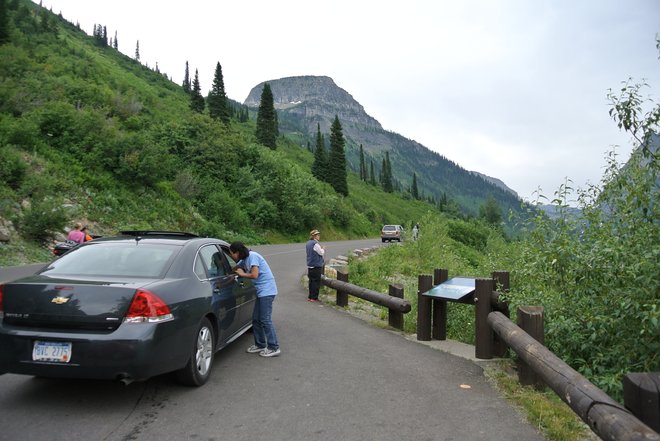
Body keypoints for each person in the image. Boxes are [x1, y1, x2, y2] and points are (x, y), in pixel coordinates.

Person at [229, 241, 281, 358]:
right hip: (261, 292)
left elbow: (254, 275)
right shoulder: (244, 260)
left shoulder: (253, 256)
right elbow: (235, 268)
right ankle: (260, 344)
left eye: (232, 253)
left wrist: (242, 274)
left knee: (265, 319)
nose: (231, 256)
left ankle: (274, 347)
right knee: (256, 319)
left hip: (267, 291)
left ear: (237, 252)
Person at [306, 229, 325, 302]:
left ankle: (310, 296)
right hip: (316, 265)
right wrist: (323, 249)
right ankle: (314, 297)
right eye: (317, 235)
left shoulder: (308, 243)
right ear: (314, 236)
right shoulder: (315, 244)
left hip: (310, 265)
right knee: (316, 281)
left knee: (311, 281)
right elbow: (321, 253)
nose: (319, 236)